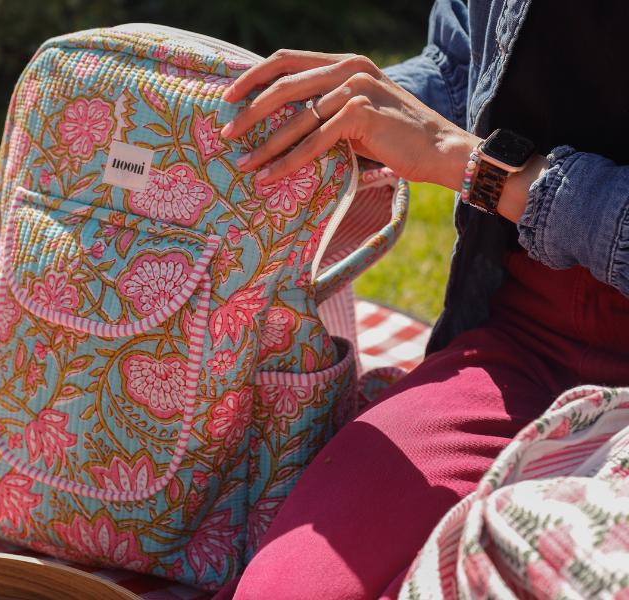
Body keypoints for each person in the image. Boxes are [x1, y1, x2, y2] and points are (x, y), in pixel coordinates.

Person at [214, 0, 629, 598]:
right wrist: (340, 115)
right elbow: (465, 60)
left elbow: (451, 146)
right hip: (523, 344)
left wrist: (472, 164)